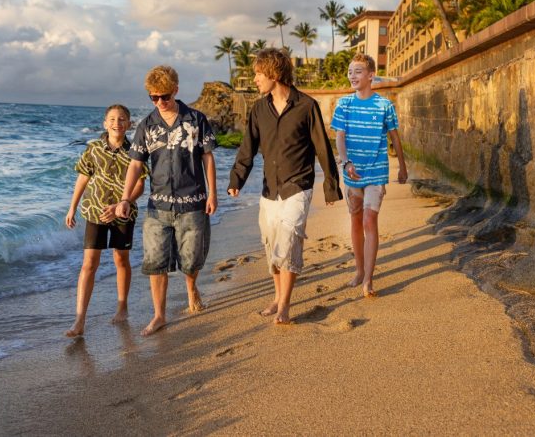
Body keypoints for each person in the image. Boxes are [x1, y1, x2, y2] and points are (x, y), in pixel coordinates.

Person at [228, 48, 342, 324]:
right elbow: (248, 148)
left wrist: (330, 185)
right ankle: (277, 297)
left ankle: (285, 306)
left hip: (298, 186)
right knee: (271, 247)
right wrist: (236, 179)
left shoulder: (306, 106)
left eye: (258, 73)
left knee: (288, 242)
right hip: (269, 190)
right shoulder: (258, 109)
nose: (254, 79)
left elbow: (322, 148)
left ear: (274, 73)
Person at [112, 66, 218, 337]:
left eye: (165, 97)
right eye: (154, 97)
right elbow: (135, 165)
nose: (160, 102)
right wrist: (125, 198)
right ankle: (159, 315)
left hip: (193, 201)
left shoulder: (196, 120)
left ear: (176, 91)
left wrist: (213, 193)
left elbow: (207, 157)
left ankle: (191, 287)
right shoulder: (147, 125)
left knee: (192, 260)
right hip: (158, 206)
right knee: (155, 262)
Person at [63, 104, 146, 337]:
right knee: (89, 263)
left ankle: (122, 307)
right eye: (112, 119)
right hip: (95, 211)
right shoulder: (94, 148)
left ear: (129, 124)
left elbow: (140, 184)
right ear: (104, 123)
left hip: (123, 212)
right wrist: (72, 208)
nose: (116, 123)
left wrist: (123, 203)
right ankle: (79, 319)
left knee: (121, 259)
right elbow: (83, 178)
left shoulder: (135, 151)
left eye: (122, 119)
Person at [331, 53, 408, 298]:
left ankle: (368, 279)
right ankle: (358, 270)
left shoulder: (384, 105)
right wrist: (345, 162)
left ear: (371, 75)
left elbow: (394, 137)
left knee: (368, 221)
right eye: (350, 71)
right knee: (355, 220)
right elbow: (339, 137)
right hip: (352, 172)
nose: (352, 75)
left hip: (377, 171)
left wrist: (403, 167)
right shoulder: (344, 104)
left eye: (358, 71)